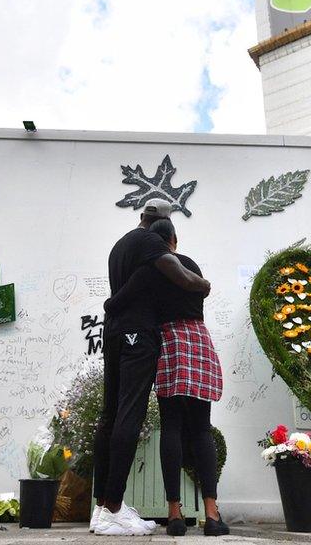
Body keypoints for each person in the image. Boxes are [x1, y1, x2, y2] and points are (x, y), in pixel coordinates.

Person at [91, 199, 211, 537]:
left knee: (110, 415)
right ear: (164, 224)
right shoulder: (151, 242)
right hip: (137, 335)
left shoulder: (119, 246)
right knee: (131, 413)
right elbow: (182, 278)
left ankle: (102, 508)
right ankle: (114, 507)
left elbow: (134, 284)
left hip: (113, 333)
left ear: (141, 215)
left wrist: (113, 305)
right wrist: (204, 285)